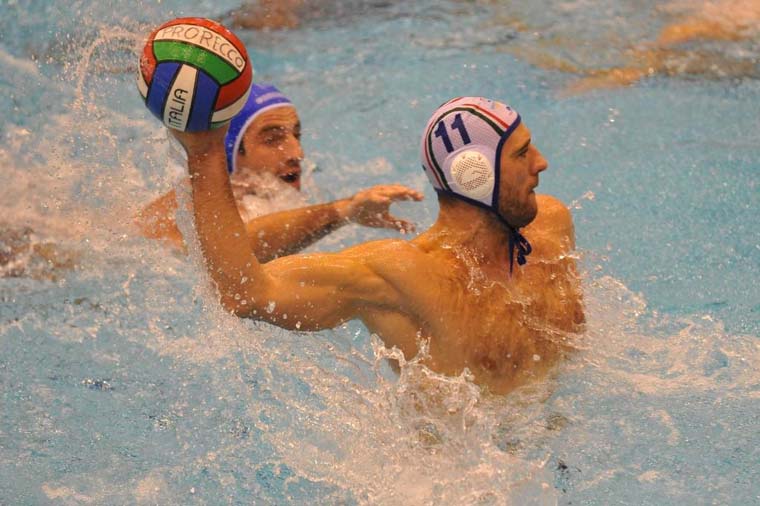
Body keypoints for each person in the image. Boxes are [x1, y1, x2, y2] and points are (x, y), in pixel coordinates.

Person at [170, 96, 584, 395]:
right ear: (473, 173)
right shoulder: (403, 276)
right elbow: (244, 294)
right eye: (522, 153)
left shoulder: (550, 226)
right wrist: (204, 152)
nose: (541, 162)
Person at [137, 84, 422, 260]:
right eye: (273, 139)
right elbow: (235, 256)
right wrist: (343, 211)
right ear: (229, 154)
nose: (297, 153)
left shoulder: (273, 198)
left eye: (296, 135)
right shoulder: (195, 208)